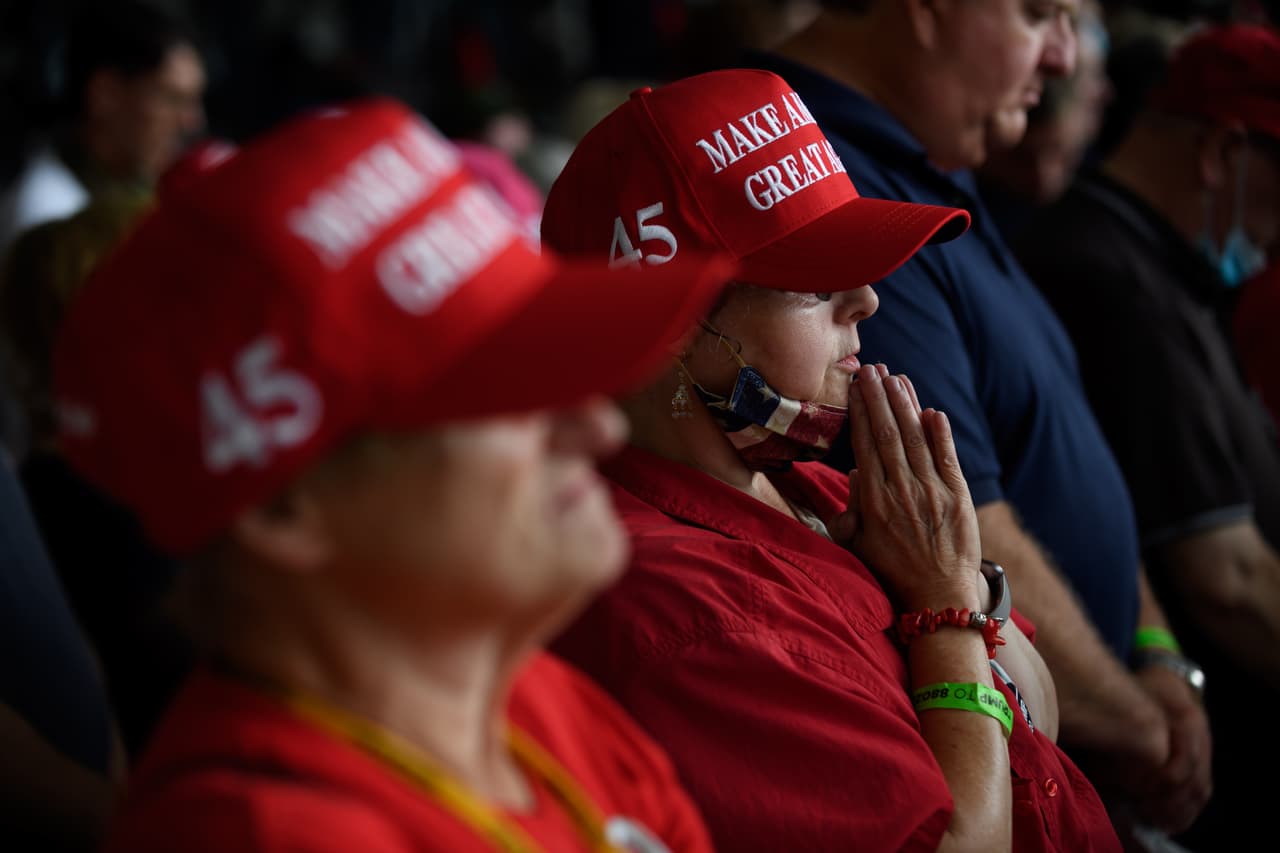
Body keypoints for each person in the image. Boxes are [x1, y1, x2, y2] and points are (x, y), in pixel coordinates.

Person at [54, 97, 732, 852]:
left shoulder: (534, 702)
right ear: (283, 509)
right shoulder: (264, 833)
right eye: (507, 391)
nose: (599, 426)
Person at [544, 67, 1121, 852]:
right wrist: (946, 613)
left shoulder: (808, 483)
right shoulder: (678, 611)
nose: (868, 299)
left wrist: (952, 586)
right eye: (813, 287)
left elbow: (1038, 714)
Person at [744, 2, 1212, 839]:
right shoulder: (815, 167)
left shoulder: (940, 164)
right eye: (1042, 14)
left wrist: (1157, 645)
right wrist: (1145, 726)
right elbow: (965, 520)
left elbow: (1061, 454)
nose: (1066, 57)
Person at [1014, 24, 1280, 849]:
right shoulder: (1112, 277)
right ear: (1221, 153)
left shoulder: (1164, 266)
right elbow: (1224, 578)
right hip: (1179, 772)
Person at [0, 0, 205, 252]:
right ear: (105, 94)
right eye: (170, 98)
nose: (191, 121)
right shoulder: (48, 214)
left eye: (193, 101)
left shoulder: (134, 189)